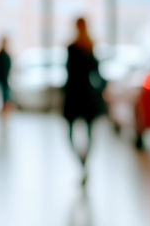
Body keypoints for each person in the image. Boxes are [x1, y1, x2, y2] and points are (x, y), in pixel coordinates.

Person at [62, 17, 105, 184]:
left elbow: (71, 73)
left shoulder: (78, 47)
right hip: (84, 94)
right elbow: (97, 73)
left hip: (76, 94)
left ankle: (83, 164)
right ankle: (84, 164)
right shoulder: (86, 47)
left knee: (76, 133)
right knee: (87, 133)